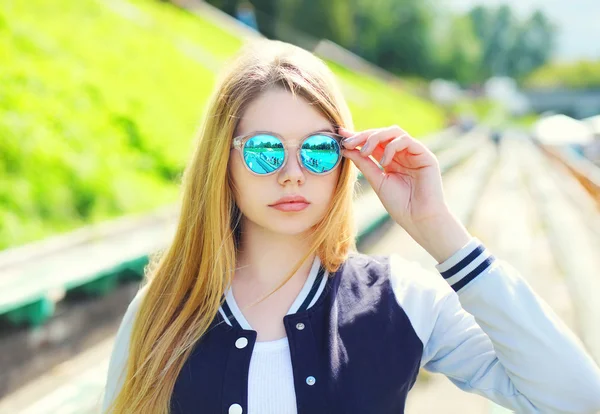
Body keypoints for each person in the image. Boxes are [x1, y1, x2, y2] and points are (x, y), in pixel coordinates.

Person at [101, 39, 600, 414]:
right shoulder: (164, 308)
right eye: (264, 149)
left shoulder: (402, 298)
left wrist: (440, 231)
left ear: (345, 161)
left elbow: (577, 399)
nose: (292, 171)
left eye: (318, 149)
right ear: (222, 164)